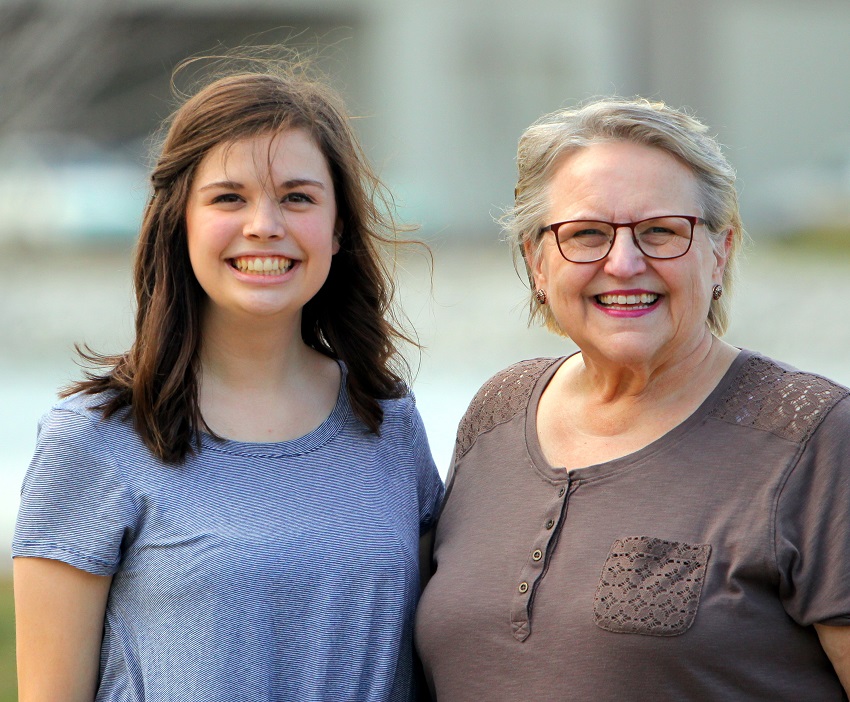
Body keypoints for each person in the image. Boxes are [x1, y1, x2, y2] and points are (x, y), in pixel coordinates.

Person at [13, 58, 444, 702]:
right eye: (228, 197)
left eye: (298, 197)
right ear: (178, 220)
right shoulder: (93, 439)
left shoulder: (387, 421)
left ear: (339, 228)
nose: (264, 224)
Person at [414, 97, 850, 700]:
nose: (624, 263)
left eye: (661, 232)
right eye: (586, 234)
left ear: (720, 253)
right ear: (537, 262)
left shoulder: (818, 436)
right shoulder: (498, 410)